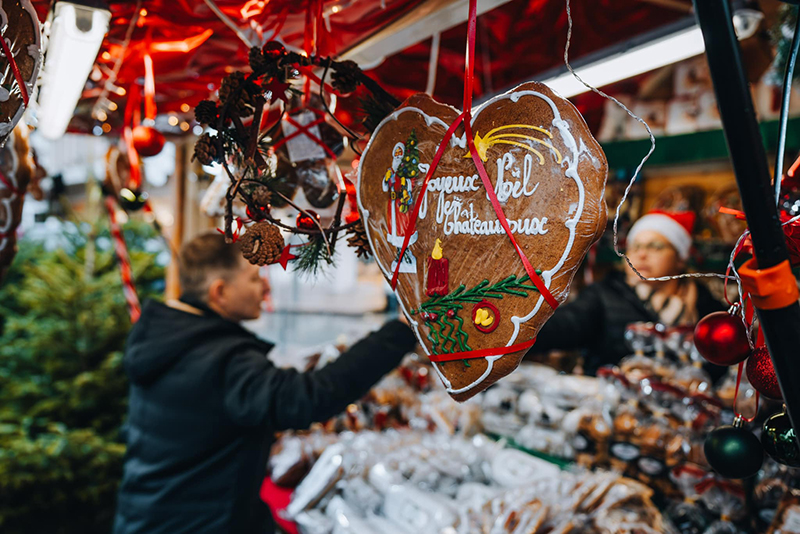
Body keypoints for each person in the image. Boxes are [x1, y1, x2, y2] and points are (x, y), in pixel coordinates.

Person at [112, 232, 416, 534]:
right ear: (220, 292)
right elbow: (310, 397)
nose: (265, 285)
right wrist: (401, 331)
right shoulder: (222, 360)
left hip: (149, 515)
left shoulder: (169, 337)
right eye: (254, 278)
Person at [530, 211, 726, 376]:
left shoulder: (705, 305)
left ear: (680, 258)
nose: (641, 254)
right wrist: (519, 330)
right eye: (635, 246)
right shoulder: (604, 294)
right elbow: (565, 325)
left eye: (655, 247)